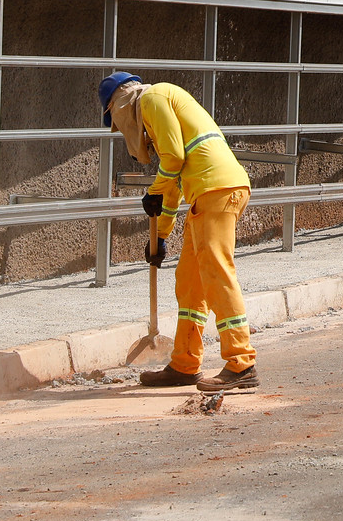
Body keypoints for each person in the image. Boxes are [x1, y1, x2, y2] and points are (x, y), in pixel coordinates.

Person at [99, 71, 258, 392]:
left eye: (115, 121)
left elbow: (173, 158)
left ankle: (242, 363)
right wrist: (158, 236)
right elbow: (170, 183)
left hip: (218, 189)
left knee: (216, 272)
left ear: (118, 103)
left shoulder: (153, 98)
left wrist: (153, 191)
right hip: (208, 193)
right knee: (190, 281)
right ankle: (185, 364)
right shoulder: (156, 109)